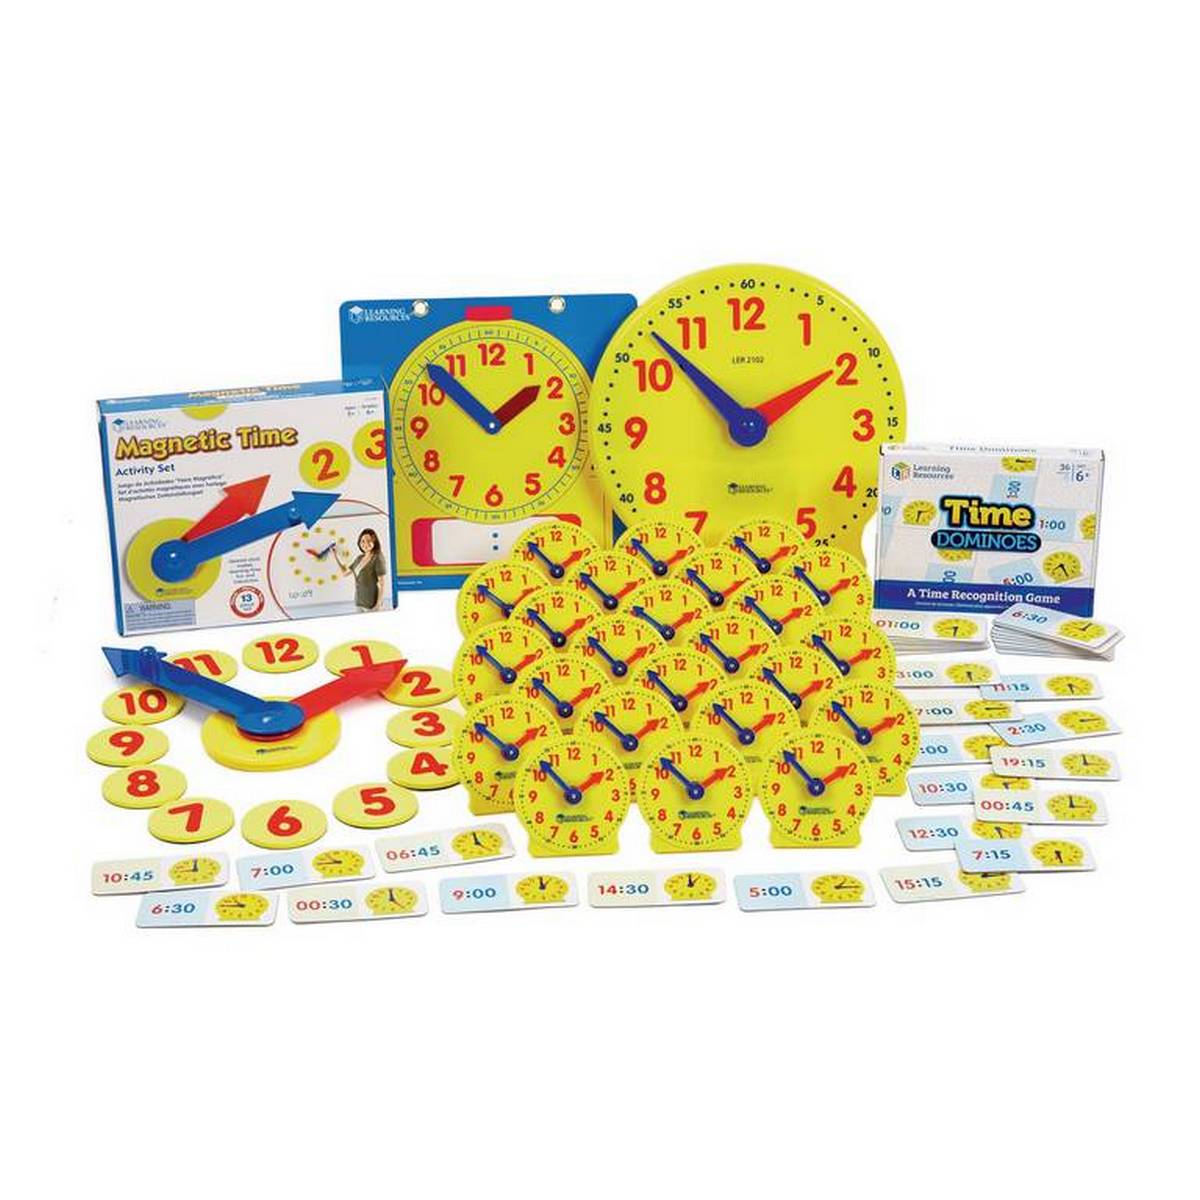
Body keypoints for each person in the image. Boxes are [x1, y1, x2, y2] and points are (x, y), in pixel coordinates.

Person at [335, 528, 386, 611]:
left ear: (374, 542)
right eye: (363, 541)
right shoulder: (359, 558)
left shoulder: (377, 558)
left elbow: (381, 584)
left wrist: (378, 604)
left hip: (371, 605)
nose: (365, 544)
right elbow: (345, 573)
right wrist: (335, 556)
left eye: (369, 540)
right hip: (358, 602)